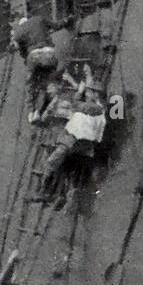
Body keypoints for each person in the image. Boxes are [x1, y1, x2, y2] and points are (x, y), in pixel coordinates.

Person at [33, 78, 107, 208]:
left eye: (90, 92)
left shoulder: (95, 107)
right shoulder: (100, 108)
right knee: (65, 169)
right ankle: (60, 196)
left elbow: (74, 104)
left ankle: (43, 191)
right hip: (85, 147)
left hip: (73, 142)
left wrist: (76, 86)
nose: (88, 94)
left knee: (51, 162)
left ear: (95, 94)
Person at [9, 10, 60, 124]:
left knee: (31, 85)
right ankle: (42, 110)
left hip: (34, 57)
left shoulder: (18, 31)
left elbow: (20, 52)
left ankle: (31, 113)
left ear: (16, 21)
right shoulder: (39, 18)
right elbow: (57, 25)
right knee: (47, 82)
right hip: (50, 54)